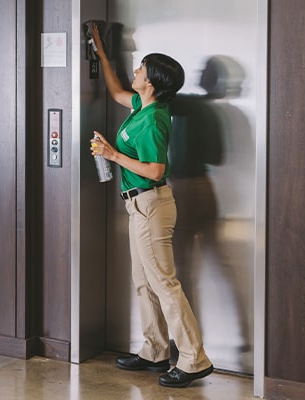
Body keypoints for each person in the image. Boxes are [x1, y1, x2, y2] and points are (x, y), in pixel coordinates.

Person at [88, 23, 214, 388]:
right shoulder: (143, 103)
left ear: (153, 81)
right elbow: (115, 92)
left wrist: (113, 155)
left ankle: (194, 359)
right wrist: (100, 52)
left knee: (164, 282)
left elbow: (156, 169)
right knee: (143, 282)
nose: (137, 71)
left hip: (152, 206)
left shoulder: (156, 118)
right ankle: (155, 350)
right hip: (137, 206)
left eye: (142, 68)